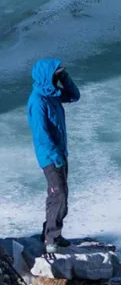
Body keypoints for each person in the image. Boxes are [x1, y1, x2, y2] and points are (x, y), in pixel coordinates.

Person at [26, 58, 81, 251]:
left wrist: (65, 78)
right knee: (59, 195)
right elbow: (41, 135)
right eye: (55, 74)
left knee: (57, 196)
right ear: (45, 77)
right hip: (50, 157)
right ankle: (51, 239)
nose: (57, 77)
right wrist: (56, 158)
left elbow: (74, 96)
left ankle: (49, 232)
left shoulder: (52, 94)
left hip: (59, 153)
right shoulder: (38, 101)